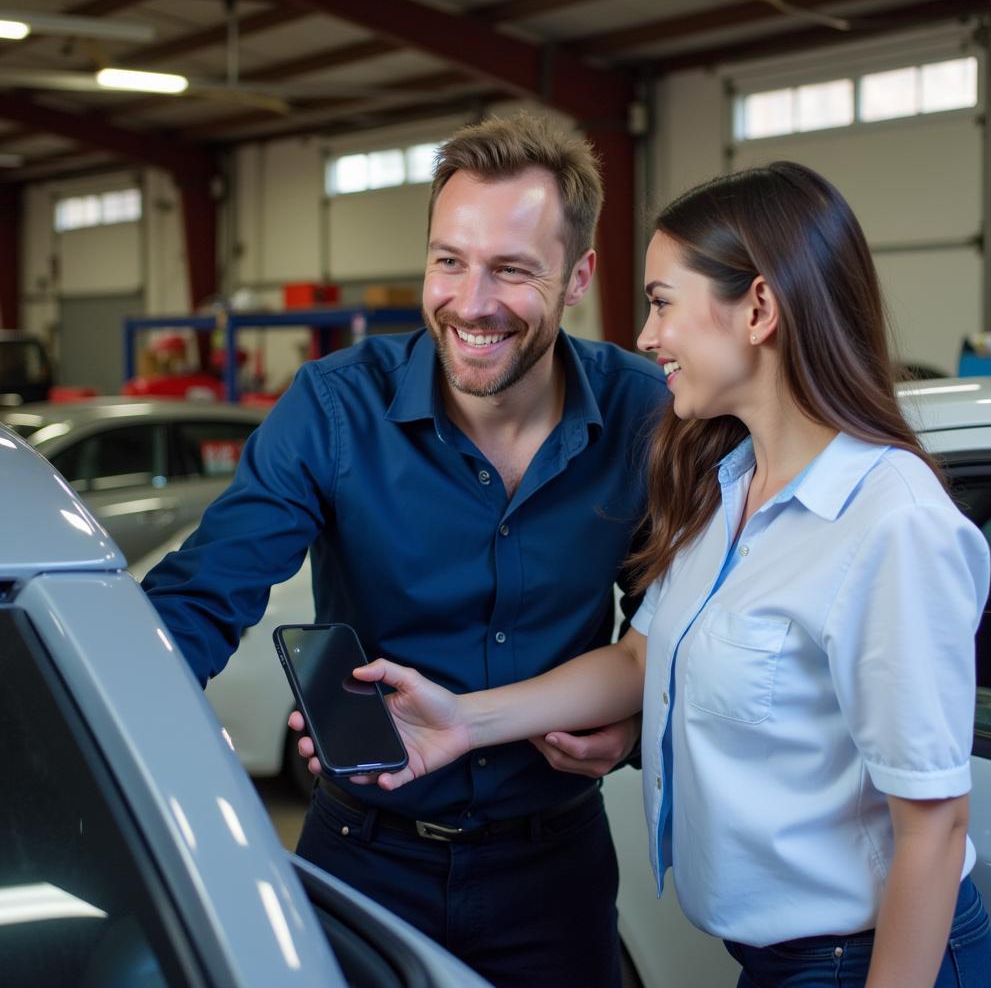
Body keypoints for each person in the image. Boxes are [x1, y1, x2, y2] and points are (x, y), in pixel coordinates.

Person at [338, 162, 991, 988]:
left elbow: (933, 826)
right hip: (780, 962)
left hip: (865, 963)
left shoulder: (889, 523)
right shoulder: (726, 488)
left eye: (661, 302)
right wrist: (462, 721)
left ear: (758, 308)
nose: (646, 339)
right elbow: (639, 660)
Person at [142, 111, 667, 988]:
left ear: (578, 275)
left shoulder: (644, 413)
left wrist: (639, 726)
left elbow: (682, 626)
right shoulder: (333, 408)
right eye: (448, 260)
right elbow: (201, 597)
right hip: (362, 856)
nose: (471, 303)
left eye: (511, 269)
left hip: (557, 869)